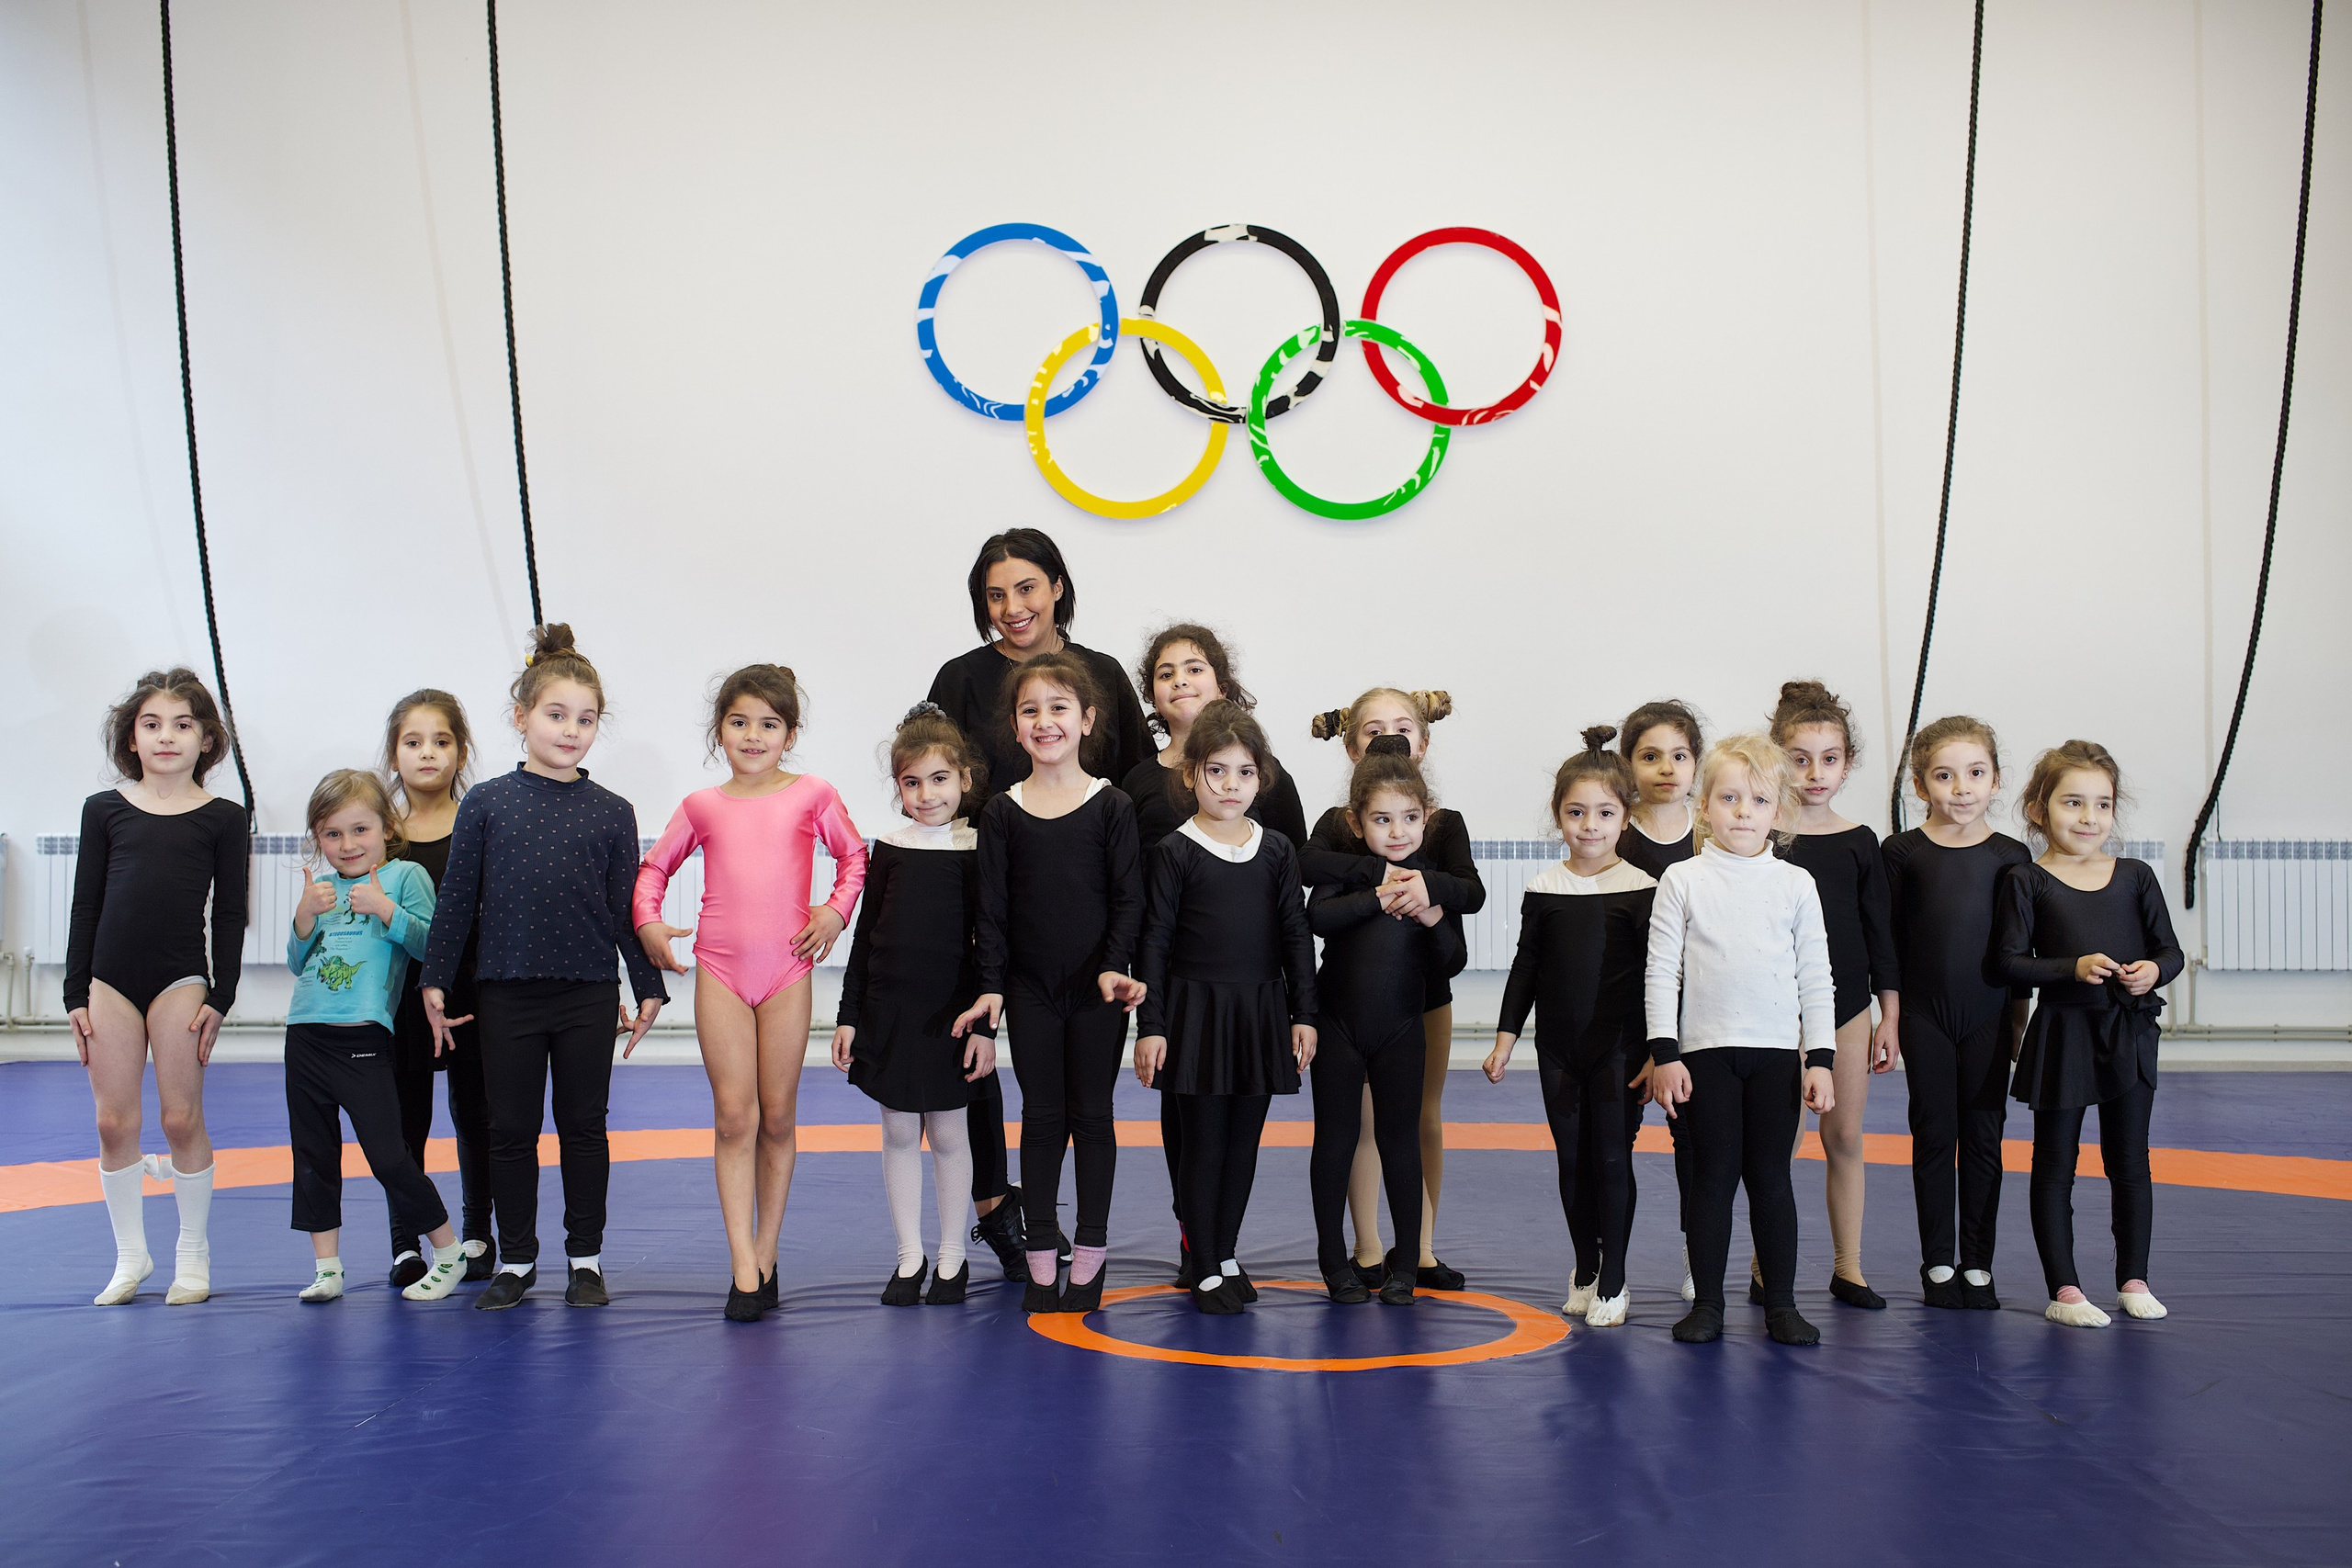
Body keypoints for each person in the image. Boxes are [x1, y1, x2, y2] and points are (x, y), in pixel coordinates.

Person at [419, 624, 668, 1312]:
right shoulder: (488, 802)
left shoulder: (612, 811)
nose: (571, 730)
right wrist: (435, 978)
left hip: (587, 993)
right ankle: (519, 1258)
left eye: (585, 719)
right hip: (507, 993)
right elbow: (457, 900)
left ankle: (584, 1257)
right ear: (522, 716)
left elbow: (623, 910)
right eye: (557, 715)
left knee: (584, 1126)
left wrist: (647, 988)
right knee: (511, 1129)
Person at [924, 529, 1150, 1279]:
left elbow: (1137, 791)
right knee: (993, 1073)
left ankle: (1085, 1239)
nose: (1012, 606)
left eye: (1026, 587)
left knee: (1086, 1102)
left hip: (1088, 923)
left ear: (1057, 585)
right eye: (995, 593)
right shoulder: (960, 678)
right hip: (992, 907)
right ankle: (1000, 1210)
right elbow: (930, 772)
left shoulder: (1105, 679)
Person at [635, 664, 868, 1322]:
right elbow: (653, 868)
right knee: (734, 1116)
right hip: (723, 972)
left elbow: (854, 858)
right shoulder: (702, 806)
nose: (753, 734)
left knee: (778, 1115)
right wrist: (650, 921)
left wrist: (833, 911)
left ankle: (767, 1251)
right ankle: (742, 1265)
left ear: (789, 734)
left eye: (768, 723)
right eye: (739, 721)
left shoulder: (812, 794)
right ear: (720, 731)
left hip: (788, 971)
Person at [954, 651, 1145, 1314]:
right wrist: (994, 988)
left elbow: (1128, 900)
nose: (1046, 720)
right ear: (1013, 724)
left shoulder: (1112, 805)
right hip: (1030, 990)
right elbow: (993, 911)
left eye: (1059, 707)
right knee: (1040, 1119)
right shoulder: (1003, 812)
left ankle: (1090, 1254)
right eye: (1030, 709)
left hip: (1098, 990)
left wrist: (1116, 967)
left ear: (1088, 719)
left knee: (1092, 1116)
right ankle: (1040, 1255)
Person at [1120, 622, 1307, 1284]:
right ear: (1193, 778)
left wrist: (1301, 1011)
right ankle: (1200, 1252)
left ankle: (1222, 1249)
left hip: (1257, 1004)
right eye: (1216, 772)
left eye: (1244, 773)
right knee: (1195, 1137)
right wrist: (1154, 1021)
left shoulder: (1275, 842)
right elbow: (1154, 930)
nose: (1230, 784)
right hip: (1188, 1000)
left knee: (1240, 1140)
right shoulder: (1163, 825)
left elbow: (1293, 929)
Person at [1645, 733, 1837, 1347]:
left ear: (1777, 811)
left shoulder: (1795, 884)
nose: (1743, 811)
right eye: (1729, 797)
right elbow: (1661, 969)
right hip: (1706, 1055)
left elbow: (1816, 974)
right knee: (1713, 1179)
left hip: (1777, 1054)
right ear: (1705, 805)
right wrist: (1665, 1052)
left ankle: (1780, 1303)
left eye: (1757, 799)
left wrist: (1822, 1058)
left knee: (1771, 1180)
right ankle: (1707, 1304)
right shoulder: (1683, 878)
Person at [66, 668, 248, 1307]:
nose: (166, 736)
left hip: (180, 980)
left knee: (179, 1115)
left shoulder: (224, 817)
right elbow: (85, 903)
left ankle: (191, 1253)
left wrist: (220, 996)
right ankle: (130, 1253)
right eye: (152, 724)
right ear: (132, 738)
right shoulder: (104, 810)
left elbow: (229, 912)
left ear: (206, 739)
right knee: (114, 1120)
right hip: (109, 981)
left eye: (182, 724)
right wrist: (74, 994)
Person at [1993, 740, 2182, 1329]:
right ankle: (2065, 1288)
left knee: (2131, 1159)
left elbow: (2168, 951)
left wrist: (2154, 970)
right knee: (2056, 1160)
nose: (2088, 817)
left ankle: (2134, 1278)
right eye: (2073, 803)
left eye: (2101, 805)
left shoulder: (2135, 876)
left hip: (2128, 1028)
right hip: (2064, 1032)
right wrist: (2068, 968)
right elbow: (2007, 963)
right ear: (2039, 808)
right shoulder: (2026, 879)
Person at [1302, 688, 1482, 1292]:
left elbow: (1469, 897)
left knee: (1414, 1122)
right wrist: (1378, 882)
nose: (1391, 738)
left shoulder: (1441, 824)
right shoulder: (1340, 827)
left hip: (1417, 1002)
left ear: (1424, 743)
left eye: (1404, 728)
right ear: (1351, 745)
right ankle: (1362, 1250)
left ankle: (1419, 1252)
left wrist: (1428, 897)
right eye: (1375, 729)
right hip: (1345, 1011)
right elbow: (1311, 890)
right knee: (1351, 1129)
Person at [1485, 727, 1656, 1327]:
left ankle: (1616, 1276)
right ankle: (1586, 1263)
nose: (1590, 824)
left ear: (1625, 817)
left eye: (1604, 812)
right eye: (1576, 811)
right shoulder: (1545, 887)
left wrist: (1661, 1050)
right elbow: (1525, 967)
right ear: (1559, 816)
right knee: (1571, 1161)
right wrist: (1505, 1038)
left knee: (1612, 1158)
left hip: (1620, 1050)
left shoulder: (1641, 890)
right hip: (1558, 1049)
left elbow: (1658, 979)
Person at [830, 705, 996, 1307]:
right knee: (898, 1129)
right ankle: (909, 1254)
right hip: (889, 1011)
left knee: (950, 1133)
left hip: (950, 1015)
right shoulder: (891, 848)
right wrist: (850, 1014)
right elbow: (865, 934)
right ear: (899, 786)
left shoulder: (979, 848)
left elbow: (991, 948)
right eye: (912, 782)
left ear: (965, 779)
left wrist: (987, 1024)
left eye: (939, 779)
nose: (927, 794)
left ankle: (953, 1257)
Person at [283, 771, 469, 1304]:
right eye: (332, 834)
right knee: (313, 1154)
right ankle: (327, 1267)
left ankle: (449, 1250)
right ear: (318, 839)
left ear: (387, 828)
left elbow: (433, 944)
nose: (347, 845)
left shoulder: (405, 875)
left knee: (389, 1156)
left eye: (359, 830)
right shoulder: (320, 890)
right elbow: (299, 964)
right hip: (305, 1035)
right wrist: (303, 917)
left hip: (365, 1034)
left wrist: (385, 909)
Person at [1883, 716, 2030, 1310]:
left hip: (1991, 1016)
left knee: (1985, 1135)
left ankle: (1978, 1261)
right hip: (1924, 1016)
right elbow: (1887, 945)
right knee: (1934, 1133)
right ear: (1920, 786)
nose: (1962, 788)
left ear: (1996, 780)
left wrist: (2020, 1020)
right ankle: (1938, 1260)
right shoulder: (1902, 852)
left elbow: (2020, 951)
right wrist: (1888, 1018)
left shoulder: (2012, 856)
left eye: (1975, 773)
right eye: (1945, 776)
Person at [1770, 681, 1901, 1310]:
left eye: (1829, 758)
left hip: (1847, 1005)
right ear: (1777, 757)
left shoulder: (1859, 840)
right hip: (1774, 1009)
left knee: (1844, 1133)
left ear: (1847, 763)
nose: (1814, 772)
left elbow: (1881, 935)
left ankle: (1849, 1266)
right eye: (1799, 757)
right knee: (1778, 1141)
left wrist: (1889, 1015)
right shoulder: (1762, 834)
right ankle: (1771, 1268)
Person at [382, 690, 496, 1287]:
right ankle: (407, 1240)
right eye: (414, 740)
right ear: (394, 754)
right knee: (406, 1120)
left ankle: (478, 1231)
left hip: (469, 988)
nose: (428, 752)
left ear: (461, 750)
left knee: (474, 1112)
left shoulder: (479, 822)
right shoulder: (383, 834)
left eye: (442, 740)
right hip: (399, 994)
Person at [1615, 698, 1704, 1300]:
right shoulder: (1615, 832)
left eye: (1679, 755)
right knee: (1611, 1141)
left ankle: (1701, 1252)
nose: (1666, 768)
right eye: (1650, 756)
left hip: (1697, 1017)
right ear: (1628, 764)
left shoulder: (1715, 835)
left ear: (1698, 764)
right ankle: (1600, 1260)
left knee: (1696, 1145)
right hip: (1623, 1014)